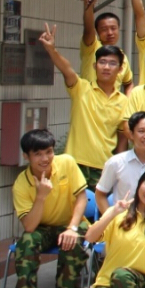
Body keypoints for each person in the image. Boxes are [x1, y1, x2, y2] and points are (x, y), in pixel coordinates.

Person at [10, 129, 89, 288]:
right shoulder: (21, 184)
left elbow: (81, 197)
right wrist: (41, 197)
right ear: (26, 156)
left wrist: (72, 228)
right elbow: (29, 227)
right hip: (42, 227)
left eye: (49, 152)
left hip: (69, 223)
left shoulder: (67, 163)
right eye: (38, 154)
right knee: (26, 242)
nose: (45, 159)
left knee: (73, 241)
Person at [38, 22, 128, 190]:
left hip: (104, 167)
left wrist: (120, 168)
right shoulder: (81, 89)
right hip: (74, 164)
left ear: (120, 69)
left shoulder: (124, 101)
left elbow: (122, 140)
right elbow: (67, 69)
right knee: (72, 206)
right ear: (95, 66)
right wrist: (51, 49)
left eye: (112, 63)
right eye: (102, 62)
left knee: (99, 207)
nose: (106, 67)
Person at [79, 0, 133, 91]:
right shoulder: (91, 48)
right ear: (97, 31)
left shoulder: (122, 56)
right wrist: (88, 7)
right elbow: (88, 29)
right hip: (90, 101)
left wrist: (128, 99)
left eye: (113, 28)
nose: (110, 33)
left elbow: (128, 83)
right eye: (104, 29)